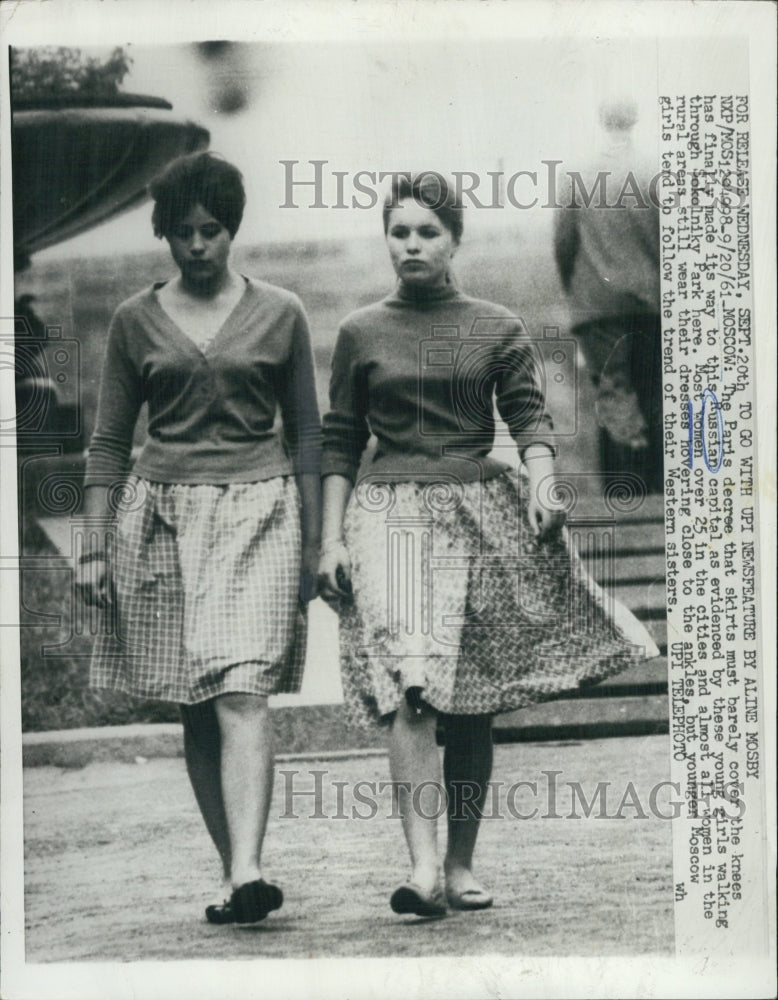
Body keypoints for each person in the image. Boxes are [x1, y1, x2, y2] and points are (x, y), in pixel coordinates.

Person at [318, 173, 659, 918]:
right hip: (391, 514)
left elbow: (531, 419)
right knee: (413, 678)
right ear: (387, 238)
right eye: (400, 231)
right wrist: (328, 540)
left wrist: (542, 484)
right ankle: (421, 868)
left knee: (468, 698)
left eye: (427, 233)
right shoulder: (360, 331)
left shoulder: (495, 325)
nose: (412, 245)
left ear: (454, 240)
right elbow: (340, 441)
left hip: (481, 510)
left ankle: (461, 862)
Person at [76, 152, 321, 925]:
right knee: (194, 703)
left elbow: (310, 435)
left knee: (243, 689)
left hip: (259, 511)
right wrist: (91, 545)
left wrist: (319, 542)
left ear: (231, 230)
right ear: (164, 235)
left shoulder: (281, 311)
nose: (195, 246)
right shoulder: (132, 320)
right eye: (180, 233)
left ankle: (249, 863)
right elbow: (110, 441)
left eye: (210, 231)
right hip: (159, 519)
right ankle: (235, 871)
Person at [553, 98, 663, 492]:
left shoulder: (578, 174)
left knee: (615, 395)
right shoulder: (656, 170)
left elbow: (564, 243)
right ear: (636, 118)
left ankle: (624, 500)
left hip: (597, 305)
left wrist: (576, 293)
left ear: (601, 119)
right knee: (653, 395)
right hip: (653, 302)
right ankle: (660, 500)